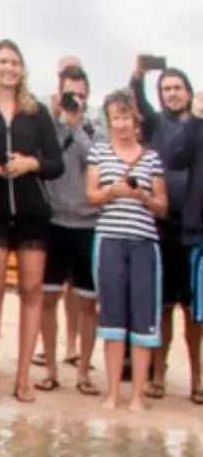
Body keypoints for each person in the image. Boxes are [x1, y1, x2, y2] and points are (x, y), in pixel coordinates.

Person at [0, 39, 63, 403]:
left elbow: (56, 164)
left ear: (22, 68)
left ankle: (24, 376)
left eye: (14, 62)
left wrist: (32, 164)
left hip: (31, 211)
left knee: (31, 291)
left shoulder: (37, 112)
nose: (9, 68)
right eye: (3, 61)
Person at [87, 91, 171, 410]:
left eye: (125, 116)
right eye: (115, 117)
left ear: (135, 119)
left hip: (144, 242)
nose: (121, 123)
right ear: (109, 121)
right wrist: (112, 191)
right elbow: (90, 196)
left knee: (142, 320)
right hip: (109, 238)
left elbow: (162, 206)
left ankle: (137, 395)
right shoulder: (99, 152)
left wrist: (143, 197)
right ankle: (113, 393)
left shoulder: (151, 157)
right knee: (112, 318)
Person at [132, 61, 197, 397]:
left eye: (177, 88)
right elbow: (137, 101)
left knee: (195, 310)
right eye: (166, 89)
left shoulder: (200, 122)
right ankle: (158, 374)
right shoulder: (156, 124)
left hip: (197, 227)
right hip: (162, 225)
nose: (172, 93)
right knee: (164, 306)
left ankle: (198, 379)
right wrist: (139, 74)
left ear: (188, 92)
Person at [40, 67, 99, 391]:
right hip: (54, 221)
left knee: (88, 301)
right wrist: (57, 118)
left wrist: (76, 128)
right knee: (47, 297)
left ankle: (84, 372)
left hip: (88, 224)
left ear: (87, 95)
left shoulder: (97, 129)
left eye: (79, 94)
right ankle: (50, 370)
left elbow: (97, 163)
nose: (73, 100)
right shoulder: (49, 126)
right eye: (68, 93)